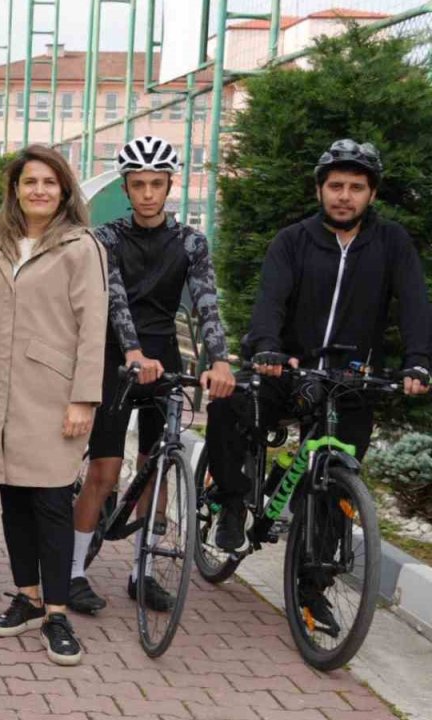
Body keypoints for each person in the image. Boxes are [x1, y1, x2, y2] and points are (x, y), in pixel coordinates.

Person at [204, 138, 429, 636]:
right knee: (228, 403)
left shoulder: (391, 243)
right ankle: (234, 499)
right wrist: (266, 347)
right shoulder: (293, 240)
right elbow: (271, 301)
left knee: (334, 485)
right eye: (335, 186)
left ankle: (313, 588)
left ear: (371, 194)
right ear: (320, 189)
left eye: (355, 187)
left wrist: (418, 363)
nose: (344, 196)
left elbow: (414, 306)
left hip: (351, 380)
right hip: (287, 370)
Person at [68, 136, 236, 616]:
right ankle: (74, 571)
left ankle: (142, 572)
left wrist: (220, 360)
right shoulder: (107, 239)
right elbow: (115, 299)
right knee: (103, 470)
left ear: (169, 187)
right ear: (126, 187)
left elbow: (206, 303)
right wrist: (133, 352)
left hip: (165, 356)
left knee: (156, 467)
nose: (147, 193)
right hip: (113, 357)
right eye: (138, 184)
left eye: (156, 184)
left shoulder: (190, 242)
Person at [0, 145, 107, 666]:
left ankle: (58, 613)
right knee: (13, 500)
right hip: (0, 392)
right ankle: (27, 596)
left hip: (52, 396)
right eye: (29, 182)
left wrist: (83, 399)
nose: (39, 190)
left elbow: (94, 329)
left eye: (49, 182)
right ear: (15, 190)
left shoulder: (81, 246)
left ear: (64, 190)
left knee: (49, 504)